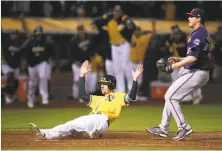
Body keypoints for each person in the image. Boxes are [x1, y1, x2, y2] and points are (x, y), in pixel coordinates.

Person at [28, 60, 143, 140]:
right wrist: (82, 76)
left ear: (111, 85)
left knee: (70, 125)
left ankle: (45, 133)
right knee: (72, 132)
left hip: (100, 119)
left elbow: (131, 98)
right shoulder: (99, 99)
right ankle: (91, 134)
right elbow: (82, 95)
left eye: (105, 84)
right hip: (100, 124)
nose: (102, 85)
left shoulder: (118, 96)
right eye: (101, 83)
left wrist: (134, 80)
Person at [147, 8, 213, 141]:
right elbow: (195, 56)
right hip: (198, 71)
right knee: (170, 96)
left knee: (171, 96)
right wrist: (180, 59)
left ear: (199, 19)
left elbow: (194, 59)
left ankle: (184, 127)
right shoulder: (200, 33)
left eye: (192, 16)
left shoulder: (199, 34)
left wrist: (174, 66)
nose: (189, 18)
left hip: (197, 72)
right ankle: (163, 128)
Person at [92, 5, 136, 93]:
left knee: (125, 67)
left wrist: (128, 25)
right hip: (114, 47)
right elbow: (96, 21)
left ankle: (132, 90)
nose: (117, 13)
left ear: (121, 12)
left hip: (124, 45)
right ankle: (121, 91)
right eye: (115, 11)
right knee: (117, 69)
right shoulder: (108, 19)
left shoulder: (125, 18)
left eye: (118, 11)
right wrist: (100, 19)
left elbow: (132, 26)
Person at [166, 25, 203, 104]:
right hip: (176, 62)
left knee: (188, 79)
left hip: (187, 61)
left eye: (177, 33)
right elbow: (168, 49)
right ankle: (179, 97)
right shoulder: (170, 40)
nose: (176, 35)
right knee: (175, 79)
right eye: (174, 33)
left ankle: (194, 96)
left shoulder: (186, 38)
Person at [20, 26, 54, 108]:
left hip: (42, 63)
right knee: (32, 83)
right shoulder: (30, 42)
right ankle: (30, 99)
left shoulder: (46, 42)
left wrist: (51, 61)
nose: (38, 36)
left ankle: (44, 97)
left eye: (40, 34)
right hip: (32, 65)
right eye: (37, 34)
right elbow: (22, 50)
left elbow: (52, 53)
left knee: (43, 77)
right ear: (34, 34)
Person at [70, 24, 97, 100]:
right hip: (77, 63)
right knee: (77, 80)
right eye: (79, 30)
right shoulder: (74, 40)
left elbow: (92, 50)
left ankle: (84, 96)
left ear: (84, 30)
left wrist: (92, 58)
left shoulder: (89, 38)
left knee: (87, 80)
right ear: (77, 31)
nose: (81, 31)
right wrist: (74, 61)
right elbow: (71, 53)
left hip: (86, 62)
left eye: (82, 29)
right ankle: (76, 95)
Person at [2, 30, 23, 104]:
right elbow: (11, 48)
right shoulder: (6, 42)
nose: (13, 35)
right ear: (10, 35)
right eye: (12, 34)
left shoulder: (19, 43)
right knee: (10, 77)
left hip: (15, 65)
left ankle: (13, 96)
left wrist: (21, 49)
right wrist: (19, 49)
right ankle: (8, 97)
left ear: (17, 35)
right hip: (6, 64)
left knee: (16, 83)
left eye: (15, 34)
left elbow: (21, 54)